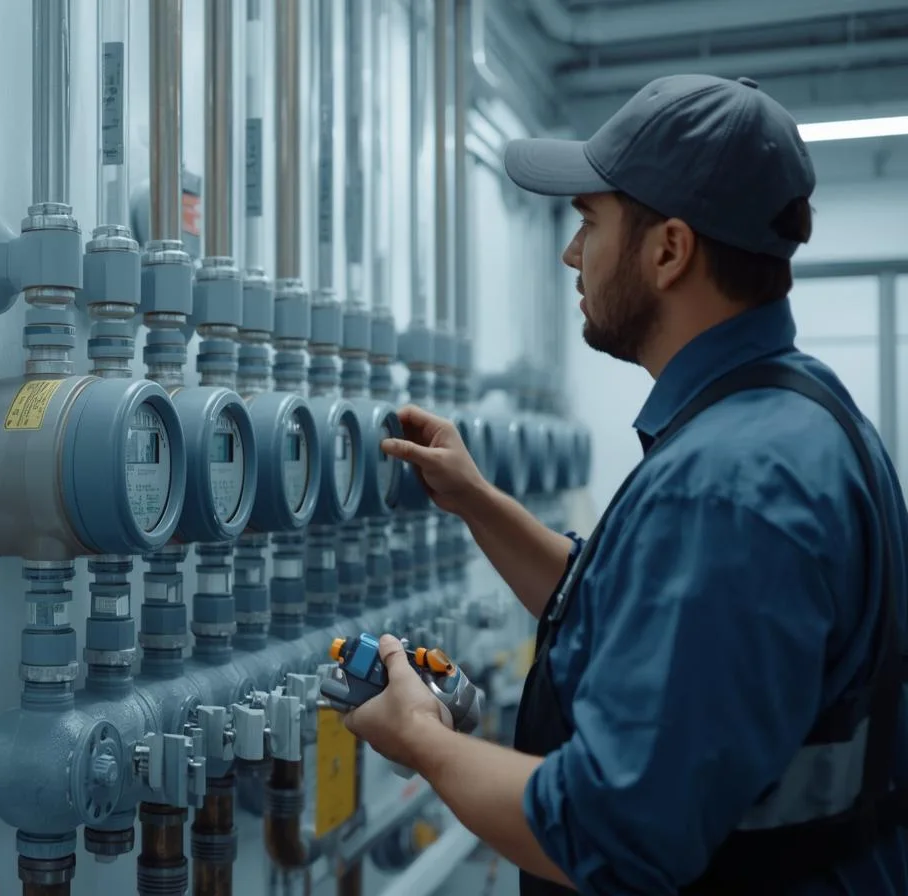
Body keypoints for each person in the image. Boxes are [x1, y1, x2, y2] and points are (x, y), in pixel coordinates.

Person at [343, 73, 908, 895]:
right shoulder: (796, 416)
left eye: (589, 223)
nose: (573, 254)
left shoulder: (723, 487)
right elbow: (614, 601)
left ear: (669, 250)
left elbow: (603, 833)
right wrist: (473, 497)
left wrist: (422, 738)